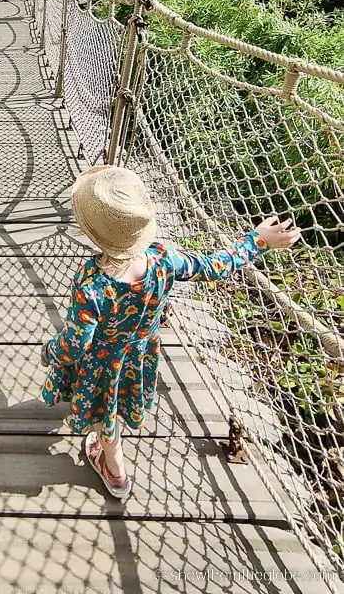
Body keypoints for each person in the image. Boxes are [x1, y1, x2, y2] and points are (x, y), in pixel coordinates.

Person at [40, 165, 300, 499]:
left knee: (105, 413)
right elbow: (214, 267)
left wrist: (49, 352)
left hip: (103, 364)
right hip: (140, 355)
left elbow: (76, 343)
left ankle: (114, 470)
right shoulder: (163, 259)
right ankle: (110, 455)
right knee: (119, 403)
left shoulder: (91, 282)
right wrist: (257, 241)